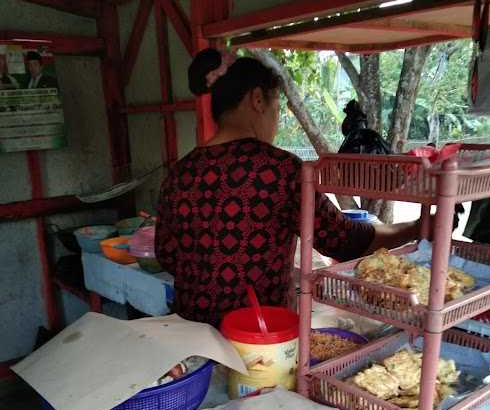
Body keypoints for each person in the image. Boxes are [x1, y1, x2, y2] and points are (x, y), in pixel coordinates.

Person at [156, 49, 422, 327]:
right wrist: (416, 228)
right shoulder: (279, 169)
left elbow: (167, 256)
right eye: (277, 110)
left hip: (191, 336)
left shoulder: (178, 173)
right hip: (260, 339)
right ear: (257, 100)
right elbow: (345, 241)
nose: (276, 121)